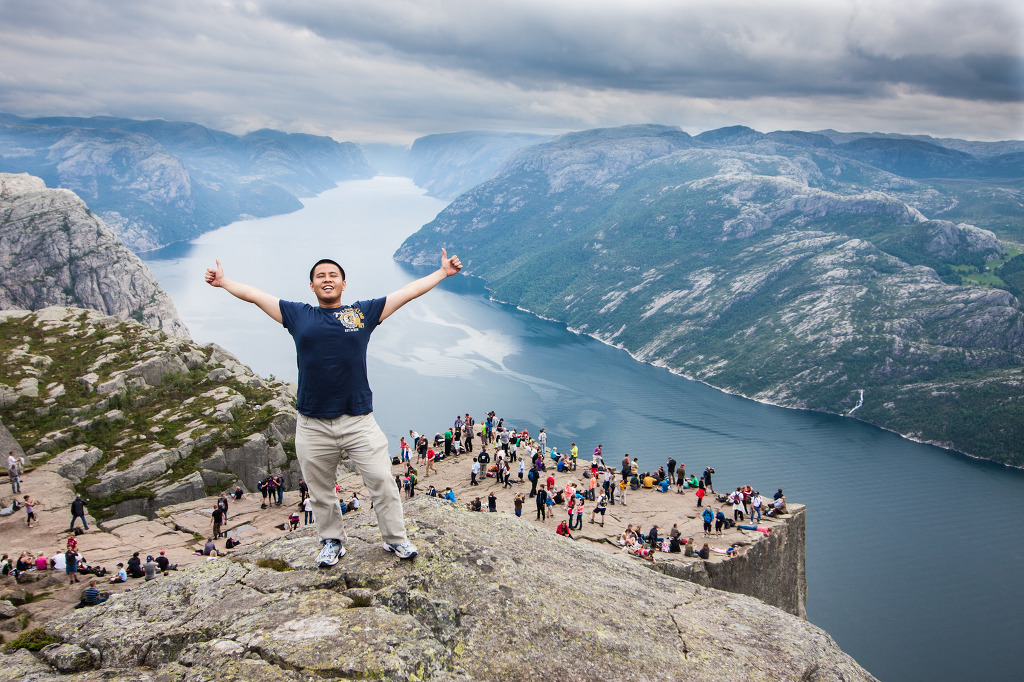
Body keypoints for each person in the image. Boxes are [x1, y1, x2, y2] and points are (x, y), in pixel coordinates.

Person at [205, 250, 462, 567]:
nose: (327, 279)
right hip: (312, 424)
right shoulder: (299, 315)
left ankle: (395, 539)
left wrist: (442, 273)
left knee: (382, 481)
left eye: (332, 275)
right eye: (320, 277)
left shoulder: (362, 313)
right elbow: (256, 296)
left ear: (343, 283)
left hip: (358, 421)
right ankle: (332, 542)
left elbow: (406, 293)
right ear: (311, 286)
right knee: (320, 490)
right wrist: (224, 281)